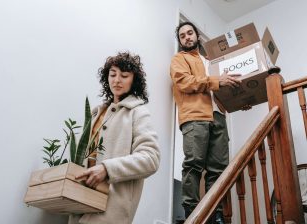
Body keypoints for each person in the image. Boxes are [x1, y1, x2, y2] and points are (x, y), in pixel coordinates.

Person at [69, 52, 160, 224]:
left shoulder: (138, 112)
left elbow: (151, 158)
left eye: (124, 75)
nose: (117, 80)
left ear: (134, 80)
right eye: (112, 74)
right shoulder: (96, 113)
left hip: (111, 208)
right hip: (80, 203)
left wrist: (107, 169)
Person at [170, 21, 241, 223]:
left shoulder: (212, 61)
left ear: (197, 36)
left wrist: (240, 99)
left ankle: (215, 213)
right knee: (193, 165)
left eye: (190, 33)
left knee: (218, 169)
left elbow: (224, 87)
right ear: (180, 41)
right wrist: (216, 81)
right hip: (195, 117)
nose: (187, 37)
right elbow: (185, 82)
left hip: (219, 116)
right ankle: (191, 213)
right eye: (182, 36)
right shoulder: (179, 59)